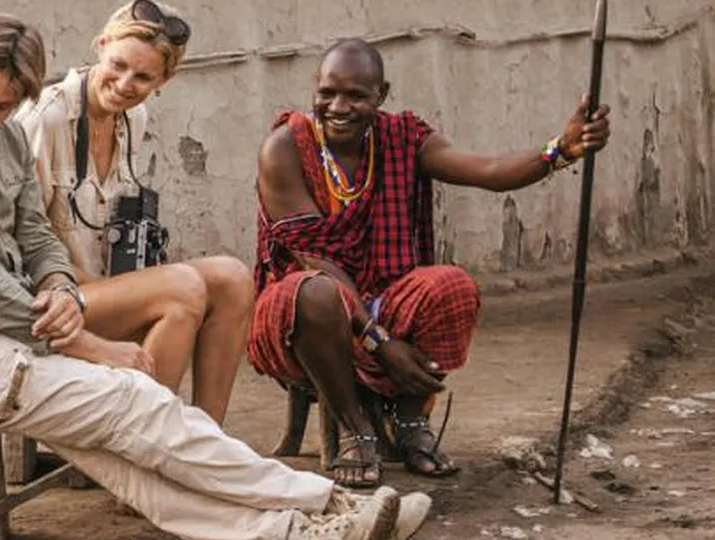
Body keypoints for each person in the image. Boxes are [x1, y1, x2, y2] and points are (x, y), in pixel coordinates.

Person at [0, 12, 429, 540]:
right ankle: (331, 503)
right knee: (136, 399)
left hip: (3, 335)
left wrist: (56, 283)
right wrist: (93, 346)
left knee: (124, 456)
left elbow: (34, 232)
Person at [249, 38, 611, 488]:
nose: (338, 106)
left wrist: (561, 149)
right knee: (318, 292)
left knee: (451, 285)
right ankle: (355, 428)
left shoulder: (403, 138)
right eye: (328, 93)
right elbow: (316, 260)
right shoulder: (284, 147)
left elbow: (491, 171)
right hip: (301, 317)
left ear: (381, 95)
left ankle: (409, 423)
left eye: (356, 96)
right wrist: (380, 342)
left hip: (383, 300)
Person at [18, 0, 254, 422]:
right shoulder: (48, 117)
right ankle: (147, 438)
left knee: (233, 277)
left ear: (165, 78)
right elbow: (20, 236)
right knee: (181, 287)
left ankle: (206, 436)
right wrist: (131, 288)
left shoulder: (133, 119)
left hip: (103, 287)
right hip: (52, 297)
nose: (126, 83)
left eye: (143, 76)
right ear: (100, 44)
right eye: (118, 65)